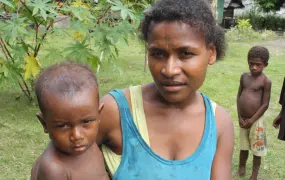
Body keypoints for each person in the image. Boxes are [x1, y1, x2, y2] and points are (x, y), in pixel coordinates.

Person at [97, 0, 234, 179]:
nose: (169, 70)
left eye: (186, 54)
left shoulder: (219, 124)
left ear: (211, 53)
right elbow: (59, 166)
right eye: (158, 54)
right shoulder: (114, 111)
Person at [30, 62, 109, 180]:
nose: (77, 136)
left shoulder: (91, 146)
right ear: (44, 124)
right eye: (63, 126)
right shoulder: (53, 169)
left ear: (99, 114)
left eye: (86, 122)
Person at [233, 46, 271, 180]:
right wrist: (239, 117)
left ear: (265, 65)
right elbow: (239, 96)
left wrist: (252, 120)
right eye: (251, 63)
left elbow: (265, 104)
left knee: (257, 149)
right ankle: (241, 168)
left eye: (258, 65)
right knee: (243, 147)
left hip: (256, 121)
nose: (254, 67)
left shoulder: (266, 81)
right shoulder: (244, 76)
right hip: (243, 120)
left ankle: (254, 173)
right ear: (248, 61)